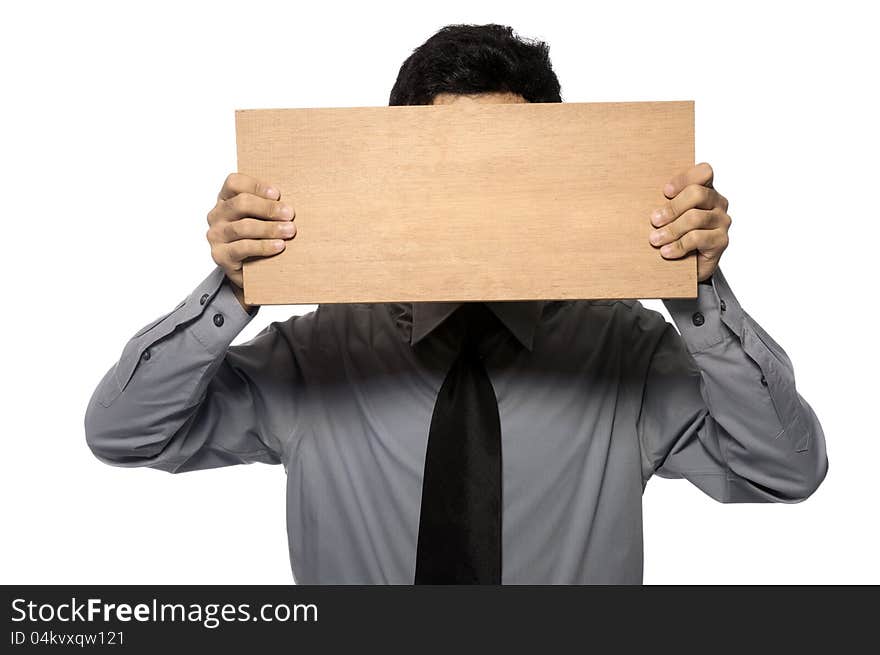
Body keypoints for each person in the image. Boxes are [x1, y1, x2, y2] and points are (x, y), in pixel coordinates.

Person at [84, 24, 828, 584]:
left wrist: (693, 290)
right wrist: (236, 287)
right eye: (447, 167)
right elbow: (126, 433)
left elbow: (786, 470)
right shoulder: (318, 355)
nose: (479, 201)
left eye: (506, 168)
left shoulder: (623, 351)